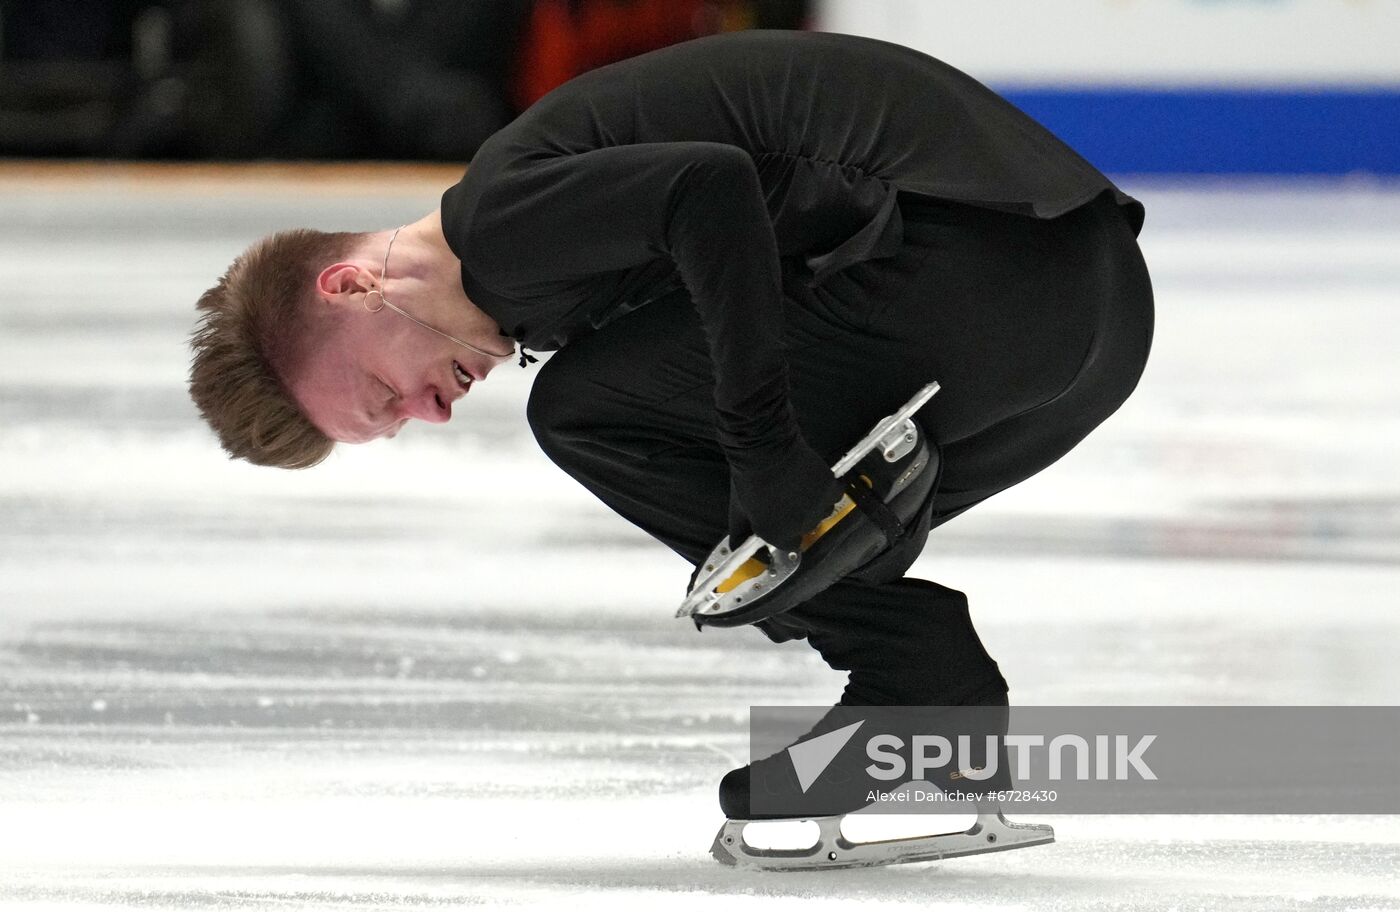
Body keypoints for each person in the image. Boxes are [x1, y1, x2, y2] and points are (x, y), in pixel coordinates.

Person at [188, 29, 1153, 852]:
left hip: (999, 270)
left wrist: (760, 441)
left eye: (380, 392)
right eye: (393, 425)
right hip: (1085, 319)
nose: (427, 413)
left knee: (583, 413)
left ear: (353, 286)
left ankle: (920, 678)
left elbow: (709, 187)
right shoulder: (540, 274)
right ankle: (923, 693)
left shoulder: (504, 221)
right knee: (715, 465)